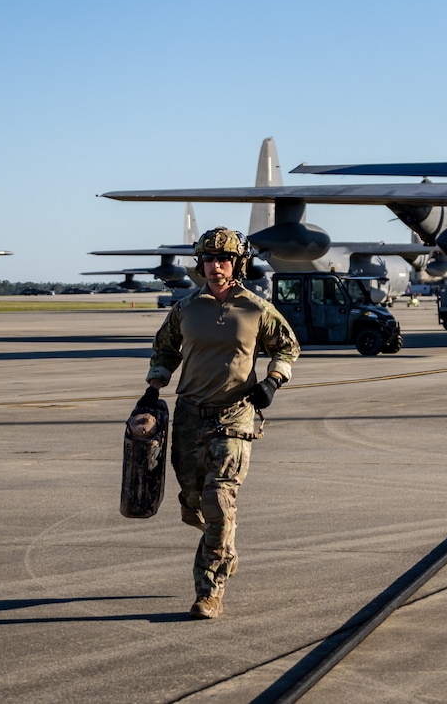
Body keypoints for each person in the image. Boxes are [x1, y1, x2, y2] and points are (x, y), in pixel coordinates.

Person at [146, 226, 301, 620]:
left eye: (224, 259)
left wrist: (273, 379)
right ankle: (223, 542)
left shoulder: (256, 308)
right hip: (189, 416)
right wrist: (154, 385)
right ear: (200, 264)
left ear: (237, 263)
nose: (216, 266)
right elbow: (165, 348)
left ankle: (209, 591)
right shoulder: (185, 308)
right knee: (194, 505)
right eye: (209, 259)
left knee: (218, 500)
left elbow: (288, 347)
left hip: (235, 415)